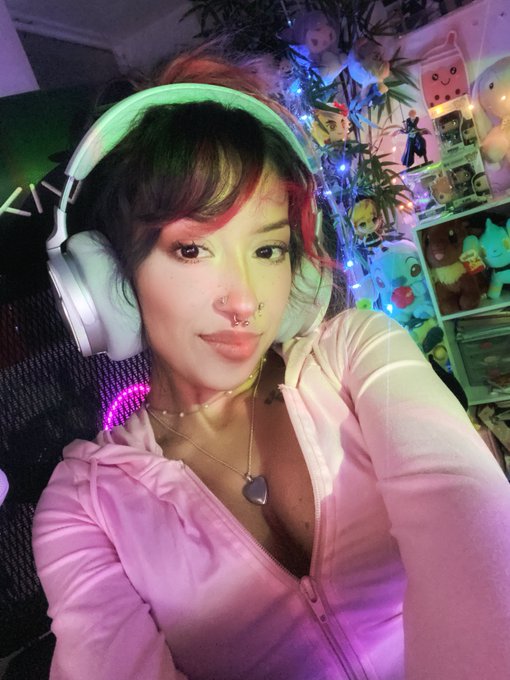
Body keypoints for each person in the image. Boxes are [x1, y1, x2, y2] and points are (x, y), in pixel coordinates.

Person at [33, 51, 510, 680]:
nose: (245, 301)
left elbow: (474, 532)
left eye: (268, 249)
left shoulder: (356, 356)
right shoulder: (86, 504)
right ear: (109, 278)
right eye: (192, 249)